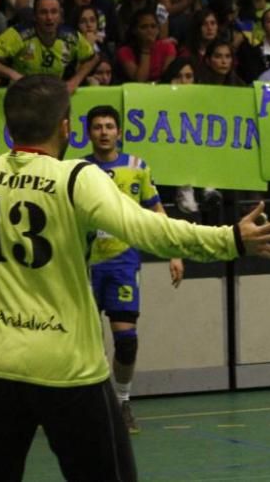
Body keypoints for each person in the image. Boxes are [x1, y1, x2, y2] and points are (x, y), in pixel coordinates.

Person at [0, 75, 270, 482]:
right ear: (65, 126)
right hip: (66, 368)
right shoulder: (75, 178)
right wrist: (231, 240)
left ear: (9, 128)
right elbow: (149, 229)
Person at [85, 105, 185, 434]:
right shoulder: (79, 169)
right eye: (97, 126)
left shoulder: (136, 167)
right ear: (89, 132)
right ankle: (91, 405)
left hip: (123, 262)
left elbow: (156, 209)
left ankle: (122, 401)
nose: (103, 132)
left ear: (118, 132)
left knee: (126, 340)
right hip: (83, 264)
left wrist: (173, 252)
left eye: (109, 126)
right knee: (85, 341)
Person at [0, 0, 98, 93]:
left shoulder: (71, 37)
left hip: (53, 94)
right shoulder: (18, 35)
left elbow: (92, 58)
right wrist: (13, 74)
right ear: (34, 16)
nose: (49, 18)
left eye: (54, 12)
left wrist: (74, 81)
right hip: (22, 93)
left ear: (60, 15)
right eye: (43, 12)